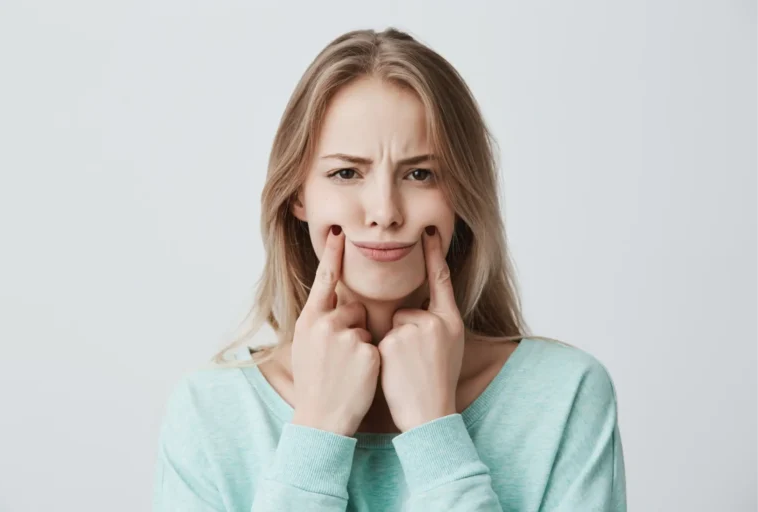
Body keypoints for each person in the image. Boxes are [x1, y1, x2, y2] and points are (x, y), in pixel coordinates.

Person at [152, 27, 627, 511]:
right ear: (298, 194)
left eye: (420, 174)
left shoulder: (566, 395)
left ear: (462, 194)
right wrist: (316, 433)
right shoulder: (209, 412)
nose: (384, 211)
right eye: (346, 173)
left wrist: (434, 433)